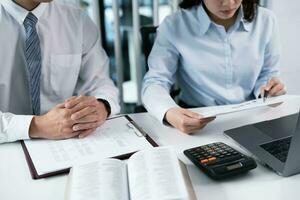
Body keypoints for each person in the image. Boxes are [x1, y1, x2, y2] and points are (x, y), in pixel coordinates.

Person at [142, 0, 286, 134]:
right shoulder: (175, 25)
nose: (229, 3)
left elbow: (267, 73)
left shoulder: (266, 20)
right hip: (198, 121)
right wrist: (169, 112)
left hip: (250, 117)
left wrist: (268, 91)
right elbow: (155, 81)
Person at [0, 0, 120, 144]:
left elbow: (100, 83)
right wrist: (36, 126)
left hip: (67, 145)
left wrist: (101, 106)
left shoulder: (76, 19)